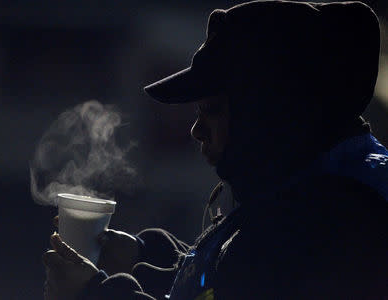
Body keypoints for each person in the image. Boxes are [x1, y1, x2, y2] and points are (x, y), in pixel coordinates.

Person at [42, 0, 388, 299]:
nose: (197, 130)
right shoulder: (320, 190)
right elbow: (233, 284)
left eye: (213, 110)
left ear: (267, 113)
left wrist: (92, 293)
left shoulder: (333, 221)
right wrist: (144, 256)